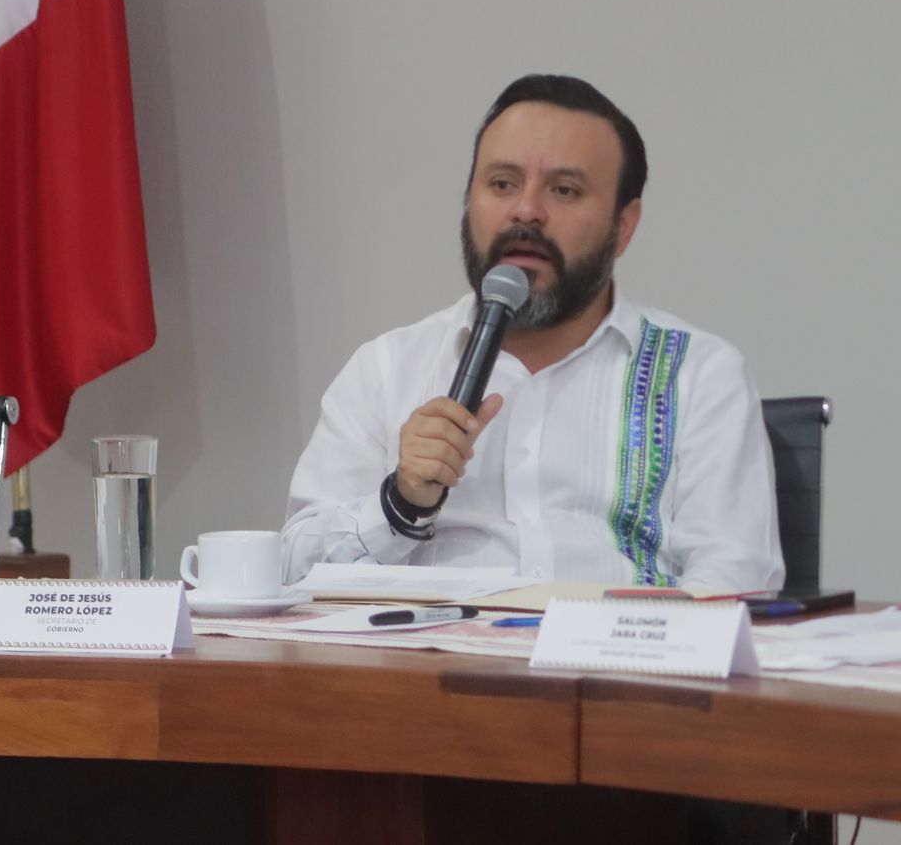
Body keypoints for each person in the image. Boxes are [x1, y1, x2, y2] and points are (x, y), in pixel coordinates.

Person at [282, 74, 783, 591]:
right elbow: (295, 570)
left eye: (564, 190)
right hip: (430, 643)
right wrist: (399, 502)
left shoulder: (699, 375)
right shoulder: (387, 369)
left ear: (623, 226)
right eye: (502, 184)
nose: (525, 211)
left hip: (617, 640)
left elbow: (737, 581)